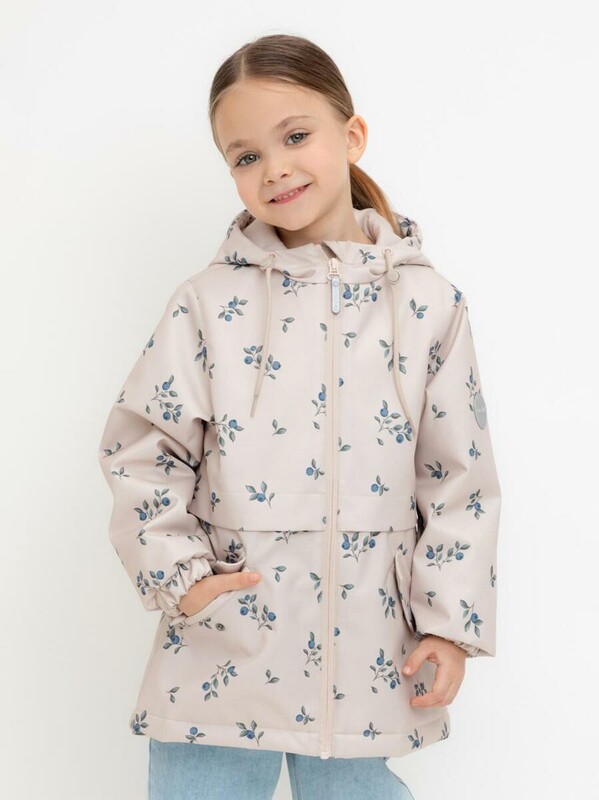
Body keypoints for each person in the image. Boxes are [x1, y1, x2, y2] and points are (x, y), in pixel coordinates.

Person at [97, 33, 501, 800]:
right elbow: (143, 449)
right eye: (246, 155)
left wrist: (446, 625)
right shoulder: (206, 303)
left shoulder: (428, 305)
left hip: (367, 650)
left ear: (350, 135)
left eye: (294, 136)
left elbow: (457, 480)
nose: (274, 168)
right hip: (225, 648)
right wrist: (184, 580)